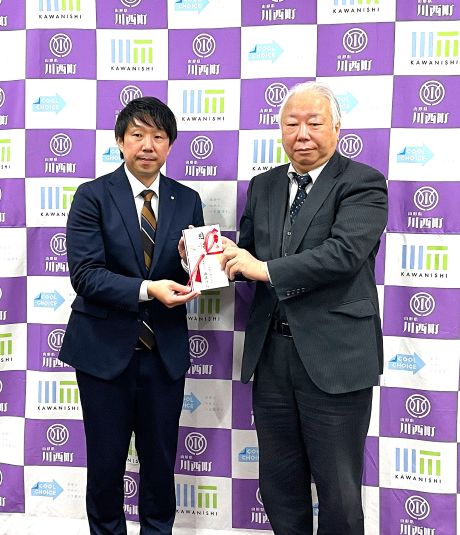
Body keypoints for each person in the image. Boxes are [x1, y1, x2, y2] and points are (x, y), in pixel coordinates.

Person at [221, 81, 387, 535]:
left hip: (336, 357)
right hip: (272, 356)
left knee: (339, 492)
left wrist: (261, 268)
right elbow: (249, 256)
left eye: (314, 123)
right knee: (279, 485)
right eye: (291, 124)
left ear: (337, 128)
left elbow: (343, 254)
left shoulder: (363, 183)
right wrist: (210, 260)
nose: (302, 134)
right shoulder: (264, 186)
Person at [59, 96, 204, 535]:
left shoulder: (187, 199)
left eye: (158, 136)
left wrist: (193, 265)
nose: (147, 145)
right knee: (105, 465)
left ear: (170, 145)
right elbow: (85, 275)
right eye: (137, 135)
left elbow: (194, 273)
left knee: (160, 463)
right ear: (120, 141)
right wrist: (147, 290)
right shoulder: (92, 196)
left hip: (164, 354)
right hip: (103, 354)